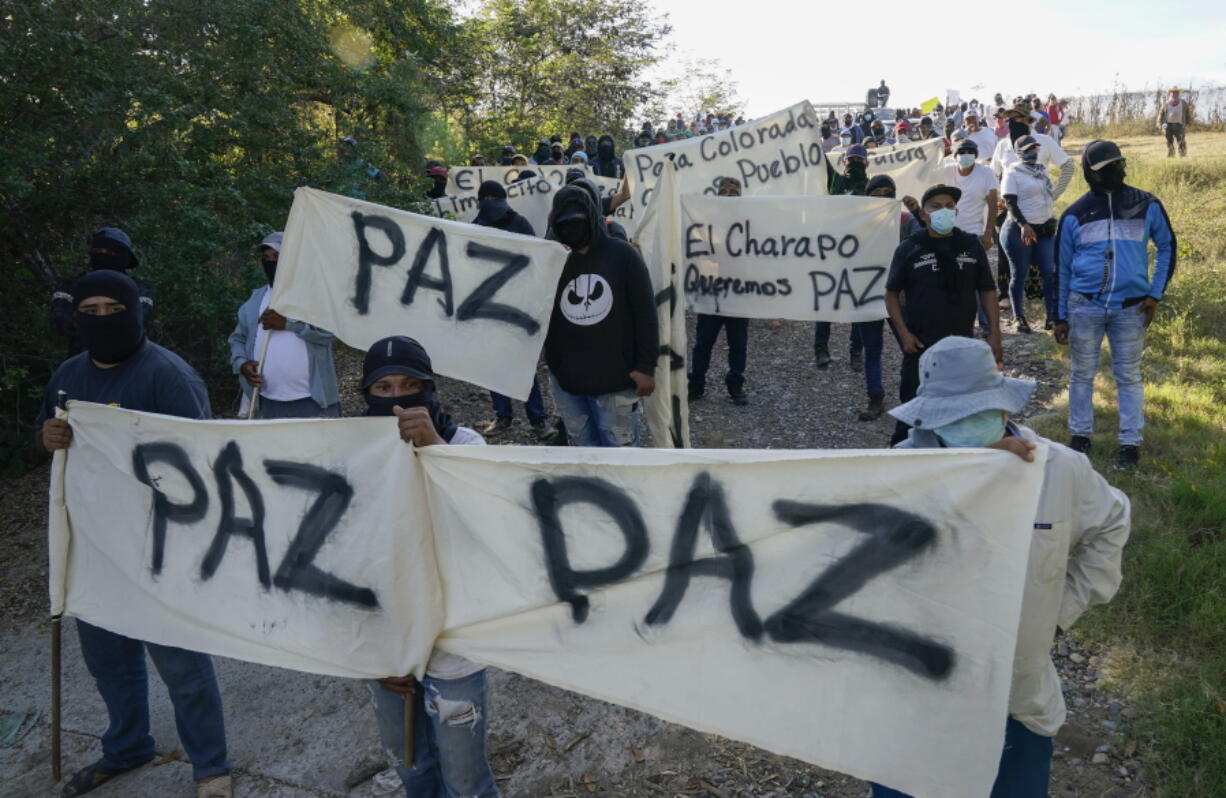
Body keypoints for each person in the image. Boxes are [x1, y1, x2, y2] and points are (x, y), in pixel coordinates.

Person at [875, 335, 1129, 798]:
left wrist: (1061, 612)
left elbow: (1112, 522)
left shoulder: (1059, 469)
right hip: (912, 695)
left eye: (979, 410)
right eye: (956, 415)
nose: (970, 422)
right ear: (930, 417)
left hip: (1017, 695)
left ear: (1003, 407)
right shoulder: (896, 475)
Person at [36, 270, 232, 798]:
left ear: (136, 311)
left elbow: (203, 462)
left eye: (112, 309)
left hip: (159, 550)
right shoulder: (68, 375)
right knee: (109, 663)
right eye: (90, 311)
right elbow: (48, 438)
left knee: (181, 665)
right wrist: (49, 436)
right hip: (93, 546)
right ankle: (127, 747)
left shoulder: (169, 376)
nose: (102, 320)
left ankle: (210, 766)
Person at [360, 336, 501, 798]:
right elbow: (348, 556)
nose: (398, 397)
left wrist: (436, 450)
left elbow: (488, 530)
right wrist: (381, 649)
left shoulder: (467, 444)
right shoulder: (353, 457)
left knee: (465, 780)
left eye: (409, 384)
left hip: (453, 646)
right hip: (388, 643)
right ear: (367, 395)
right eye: (384, 388)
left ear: (430, 389)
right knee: (412, 766)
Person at [1054, 140, 1176, 470]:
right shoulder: (1074, 215)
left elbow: (1167, 246)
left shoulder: (1147, 204)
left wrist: (1155, 294)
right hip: (1085, 306)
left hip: (1132, 308)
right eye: (1105, 168)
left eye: (1118, 164)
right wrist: (1059, 315)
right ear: (1089, 174)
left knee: (1128, 376)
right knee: (1081, 374)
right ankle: (1080, 437)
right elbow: (1062, 268)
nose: (1114, 171)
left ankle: (1129, 443)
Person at [884, 185, 1002, 445]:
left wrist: (995, 334)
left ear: (957, 211)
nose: (944, 211)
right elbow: (891, 294)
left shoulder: (970, 245)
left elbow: (987, 290)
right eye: (936, 207)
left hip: (961, 345)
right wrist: (904, 334)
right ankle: (900, 460)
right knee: (913, 412)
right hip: (920, 346)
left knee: (960, 409)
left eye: (949, 206)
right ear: (923, 215)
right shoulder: (909, 248)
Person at [543, 185, 657, 446]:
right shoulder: (551, 261)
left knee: (621, 458)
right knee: (583, 453)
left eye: (578, 221)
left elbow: (646, 312)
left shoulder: (623, 254)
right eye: (565, 223)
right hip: (567, 383)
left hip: (616, 383)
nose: (572, 227)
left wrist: (646, 367)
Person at [470, 181, 551, 438]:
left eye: (495, 197)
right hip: (487, 307)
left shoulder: (519, 224)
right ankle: (503, 416)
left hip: (518, 307)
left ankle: (537, 419)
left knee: (522, 365)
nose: (491, 202)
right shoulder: (473, 229)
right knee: (494, 365)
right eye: (486, 197)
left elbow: (536, 261)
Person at [228, 233, 340, 419]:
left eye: (277, 257)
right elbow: (238, 338)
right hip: (266, 401)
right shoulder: (256, 300)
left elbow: (331, 333)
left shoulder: (314, 296)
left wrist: (288, 324)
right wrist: (242, 364)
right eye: (266, 258)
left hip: (313, 401)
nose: (270, 262)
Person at [688, 177, 750, 406]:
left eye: (733, 191)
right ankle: (696, 383)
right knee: (703, 342)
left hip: (738, 292)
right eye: (724, 191)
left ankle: (736, 384)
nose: (729, 195)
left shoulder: (749, 222)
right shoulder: (707, 222)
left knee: (738, 343)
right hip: (712, 291)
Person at [51, 227, 154, 358]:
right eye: (97, 250)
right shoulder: (69, 284)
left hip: (128, 363)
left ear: (124, 256)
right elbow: (60, 323)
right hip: (82, 363)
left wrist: (88, 323)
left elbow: (138, 321)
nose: (103, 254)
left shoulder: (139, 288)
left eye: (111, 251)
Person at [1000, 135, 1059, 333]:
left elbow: (1047, 199)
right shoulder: (1013, 173)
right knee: (1019, 274)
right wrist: (1023, 224)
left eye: (1035, 147)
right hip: (1019, 231)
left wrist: (1051, 217)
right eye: (1028, 149)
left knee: (1050, 273)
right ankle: (1019, 318)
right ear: (1019, 152)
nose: (1033, 151)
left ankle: (1052, 316)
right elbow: (1010, 202)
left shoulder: (1042, 171)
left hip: (1043, 229)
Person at [991, 104, 1074, 199]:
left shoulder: (1044, 141)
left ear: (1027, 120)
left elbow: (1068, 167)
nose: (1011, 122)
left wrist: (1054, 195)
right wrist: (999, 196)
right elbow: (993, 173)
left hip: (1038, 208)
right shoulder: (1003, 144)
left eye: (1016, 118)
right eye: (1008, 119)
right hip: (1011, 208)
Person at [1157, 88, 1194, 157]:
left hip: (1179, 125)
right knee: (1169, 141)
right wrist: (1159, 124)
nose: (1175, 94)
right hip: (1168, 126)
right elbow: (1160, 114)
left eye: (1176, 93)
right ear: (1170, 94)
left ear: (1179, 94)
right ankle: (1171, 155)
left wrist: (1189, 122)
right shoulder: (1166, 103)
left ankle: (1182, 155)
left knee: (1181, 141)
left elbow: (1187, 113)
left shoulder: (1183, 103)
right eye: (1173, 93)